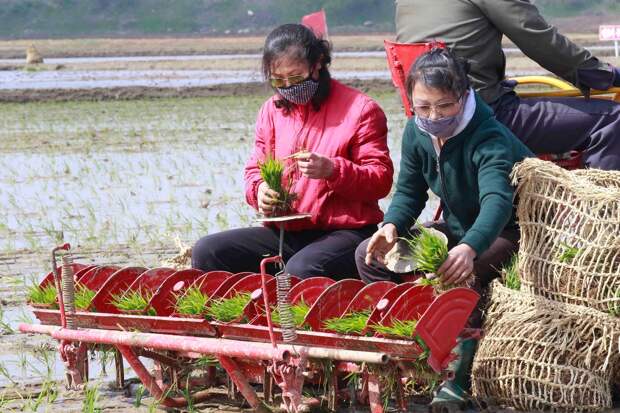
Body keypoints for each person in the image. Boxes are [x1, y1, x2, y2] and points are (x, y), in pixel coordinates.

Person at [354, 48, 533, 409]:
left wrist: (469, 248)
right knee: (369, 255)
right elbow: (408, 190)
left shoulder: (488, 136)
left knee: (457, 273)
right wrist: (391, 225)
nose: (433, 116)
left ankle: (459, 377)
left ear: (464, 96)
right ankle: (406, 344)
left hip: (506, 232)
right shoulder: (417, 132)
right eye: (423, 107)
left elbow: (496, 202)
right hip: (457, 228)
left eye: (444, 106)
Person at [191, 24, 393, 279]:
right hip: (286, 232)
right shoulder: (271, 110)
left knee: (301, 268)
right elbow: (255, 169)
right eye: (278, 80)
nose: (288, 86)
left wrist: (333, 170)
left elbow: (380, 180)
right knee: (207, 251)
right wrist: (259, 191)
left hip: (345, 234)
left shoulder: (361, 110)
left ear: (317, 64)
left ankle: (299, 312)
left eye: (296, 78)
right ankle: (241, 315)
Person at [395, 0, 620, 171]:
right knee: (611, 118)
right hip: (481, 114)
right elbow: (536, 37)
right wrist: (603, 74)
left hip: (428, 121)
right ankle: (600, 218)